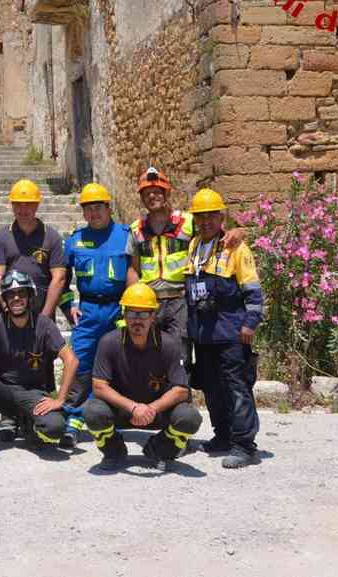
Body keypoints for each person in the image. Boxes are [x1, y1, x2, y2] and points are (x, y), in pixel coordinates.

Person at [126, 167, 246, 364]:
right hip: (150, 303)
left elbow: (220, 234)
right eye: (147, 194)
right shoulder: (136, 229)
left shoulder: (187, 222)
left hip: (179, 301)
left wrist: (240, 232)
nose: (152, 196)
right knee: (150, 358)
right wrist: (134, 302)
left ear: (166, 193)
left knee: (179, 358)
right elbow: (133, 268)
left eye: (157, 191)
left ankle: (181, 395)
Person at [83, 283, 203, 471]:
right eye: (132, 313)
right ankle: (114, 452)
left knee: (189, 417)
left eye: (143, 313)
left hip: (157, 412)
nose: (137, 320)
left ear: (153, 316)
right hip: (123, 411)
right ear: (124, 315)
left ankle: (159, 450)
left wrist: (150, 409)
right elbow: (99, 386)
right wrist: (133, 407)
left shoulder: (169, 344)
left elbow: (180, 390)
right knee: (93, 412)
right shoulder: (109, 342)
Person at [185, 188, 265, 469]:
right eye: (200, 217)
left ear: (222, 217)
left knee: (237, 388)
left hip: (231, 333)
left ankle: (245, 446)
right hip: (203, 334)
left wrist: (250, 323)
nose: (206, 221)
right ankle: (222, 436)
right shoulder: (194, 245)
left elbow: (253, 291)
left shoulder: (237, 248)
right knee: (211, 388)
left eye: (211, 216)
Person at [0, 270, 78, 457]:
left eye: (21, 293)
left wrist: (60, 399)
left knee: (54, 430)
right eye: (11, 295)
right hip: (3, 393)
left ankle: (28, 424)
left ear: (30, 297)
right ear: (4, 300)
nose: (16, 298)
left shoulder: (44, 324)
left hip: (34, 394)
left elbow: (71, 360)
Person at [62, 183, 131, 434]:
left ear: (108, 208)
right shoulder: (75, 241)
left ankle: (113, 413)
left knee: (119, 362)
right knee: (80, 362)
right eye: (88, 209)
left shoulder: (126, 235)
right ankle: (74, 416)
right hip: (89, 309)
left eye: (98, 208)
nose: (93, 213)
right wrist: (68, 305)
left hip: (119, 309)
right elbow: (60, 277)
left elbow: (136, 272)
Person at [0, 179, 71, 323]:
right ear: (12, 206)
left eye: (29, 204)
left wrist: (45, 318)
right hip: (10, 313)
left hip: (42, 311)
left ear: (37, 205)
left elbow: (59, 278)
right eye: (18, 204)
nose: (23, 209)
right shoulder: (2, 237)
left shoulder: (52, 237)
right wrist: (7, 309)